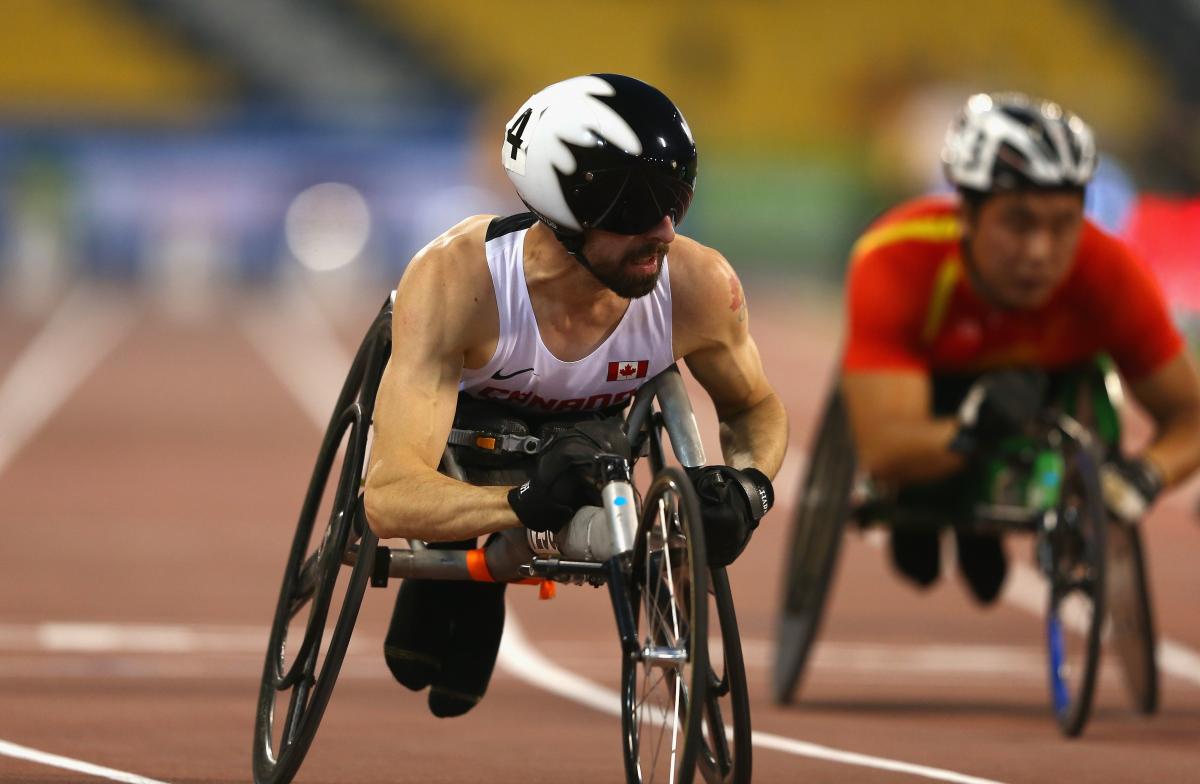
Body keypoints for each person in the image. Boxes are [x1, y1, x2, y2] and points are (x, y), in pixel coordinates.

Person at [362, 74, 787, 717]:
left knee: (584, 467)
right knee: (440, 608)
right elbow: (389, 496)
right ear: (560, 211)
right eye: (634, 210)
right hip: (466, 440)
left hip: (595, 447)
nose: (664, 231)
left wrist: (750, 486)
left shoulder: (698, 283)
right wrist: (522, 502)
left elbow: (755, 407)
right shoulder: (462, 279)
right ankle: (468, 566)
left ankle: (490, 559)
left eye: (675, 199)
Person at [840, 92, 1200, 603]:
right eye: (1018, 222)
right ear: (965, 211)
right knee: (917, 547)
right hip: (937, 397)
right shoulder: (896, 259)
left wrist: (1145, 474)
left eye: (1062, 225)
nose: (1040, 251)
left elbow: (1191, 415)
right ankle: (939, 508)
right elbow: (884, 450)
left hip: (1050, 388)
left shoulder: (1110, 272)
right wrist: (972, 433)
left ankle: (980, 518)